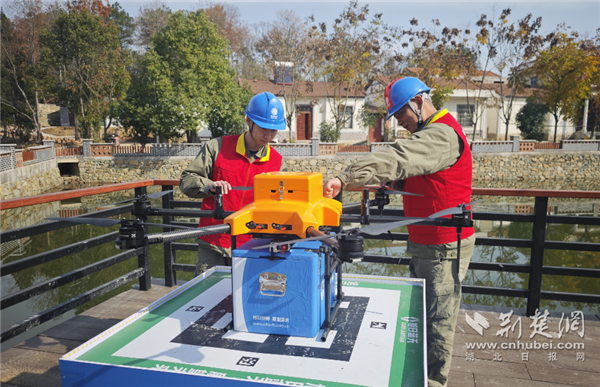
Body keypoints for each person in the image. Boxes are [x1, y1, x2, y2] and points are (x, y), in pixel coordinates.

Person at [324, 77, 475, 387]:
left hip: (443, 246)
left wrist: (345, 177)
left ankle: (433, 382)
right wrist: (395, 185)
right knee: (422, 315)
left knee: (437, 322)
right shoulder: (430, 132)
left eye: (402, 115)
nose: (400, 123)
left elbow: (399, 157)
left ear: (419, 102)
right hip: (426, 242)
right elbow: (423, 175)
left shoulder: (441, 134)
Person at [180, 92, 287, 276]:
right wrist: (210, 186)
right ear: (248, 121)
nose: (268, 135)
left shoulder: (278, 163)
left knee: (244, 299)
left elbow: (285, 204)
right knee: (208, 296)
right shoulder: (217, 147)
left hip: (253, 245)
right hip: (213, 242)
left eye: (274, 129)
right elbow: (187, 179)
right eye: (263, 127)